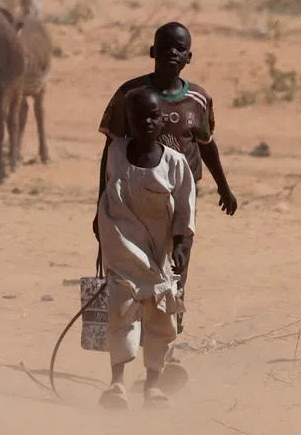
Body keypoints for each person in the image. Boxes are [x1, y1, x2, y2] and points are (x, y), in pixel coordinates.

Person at [94, 21, 237, 389]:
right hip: (130, 202)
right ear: (152, 51)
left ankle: (161, 360)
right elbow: (109, 153)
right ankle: (133, 359)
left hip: (177, 201)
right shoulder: (131, 94)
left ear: (189, 56)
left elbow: (205, 144)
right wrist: (100, 208)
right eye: (165, 46)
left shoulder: (198, 100)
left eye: (180, 48)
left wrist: (224, 185)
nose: (173, 53)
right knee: (128, 280)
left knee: (174, 278)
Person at [96, 87, 195, 410]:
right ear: (129, 121)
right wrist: (100, 231)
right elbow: (107, 196)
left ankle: (152, 385)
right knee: (121, 314)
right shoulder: (115, 153)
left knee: (159, 321)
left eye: (154, 116)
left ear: (162, 119)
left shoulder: (176, 164)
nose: (148, 122)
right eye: (140, 117)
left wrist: (181, 245)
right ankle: (116, 385)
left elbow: (184, 210)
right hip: (122, 252)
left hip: (158, 258)